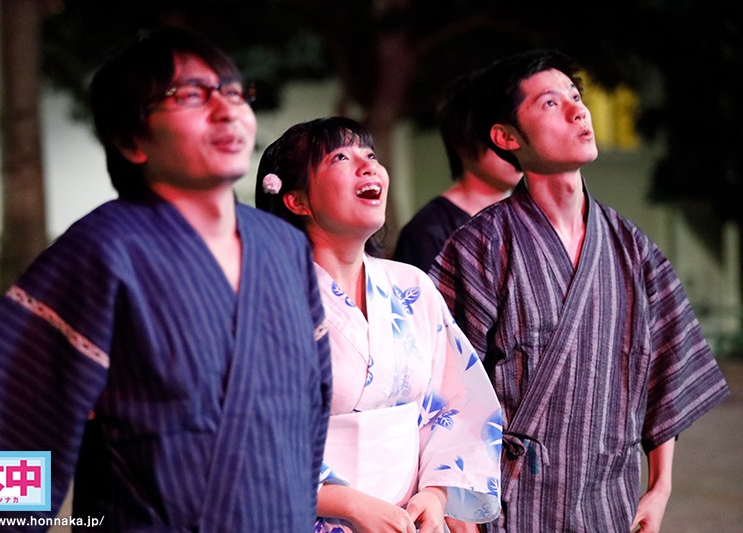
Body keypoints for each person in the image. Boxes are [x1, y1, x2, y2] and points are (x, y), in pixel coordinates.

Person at [0, 28, 332, 531]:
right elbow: (0, 433)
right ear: (131, 140)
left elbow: (311, 411)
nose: (227, 110)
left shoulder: (283, 247)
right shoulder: (102, 253)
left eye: (234, 92)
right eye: (190, 95)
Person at [429, 49, 730, 532]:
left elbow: (667, 370)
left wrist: (660, 487)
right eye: (550, 103)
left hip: (610, 502)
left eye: (575, 96)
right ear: (507, 137)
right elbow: (442, 388)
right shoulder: (480, 245)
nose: (577, 111)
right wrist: (455, 511)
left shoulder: (632, 248)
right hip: (510, 506)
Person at [255, 117, 502, 533]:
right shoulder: (266, 297)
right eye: (341, 158)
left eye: (370, 155)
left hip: (411, 520)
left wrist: (435, 494)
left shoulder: (411, 286)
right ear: (297, 201)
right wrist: (347, 502)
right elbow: (249, 430)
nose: (368, 165)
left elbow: (460, 403)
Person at [392, 69, 522, 272]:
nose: (514, 146)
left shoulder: (532, 216)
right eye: (501, 135)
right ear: (462, 142)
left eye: (519, 133)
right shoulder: (428, 233)